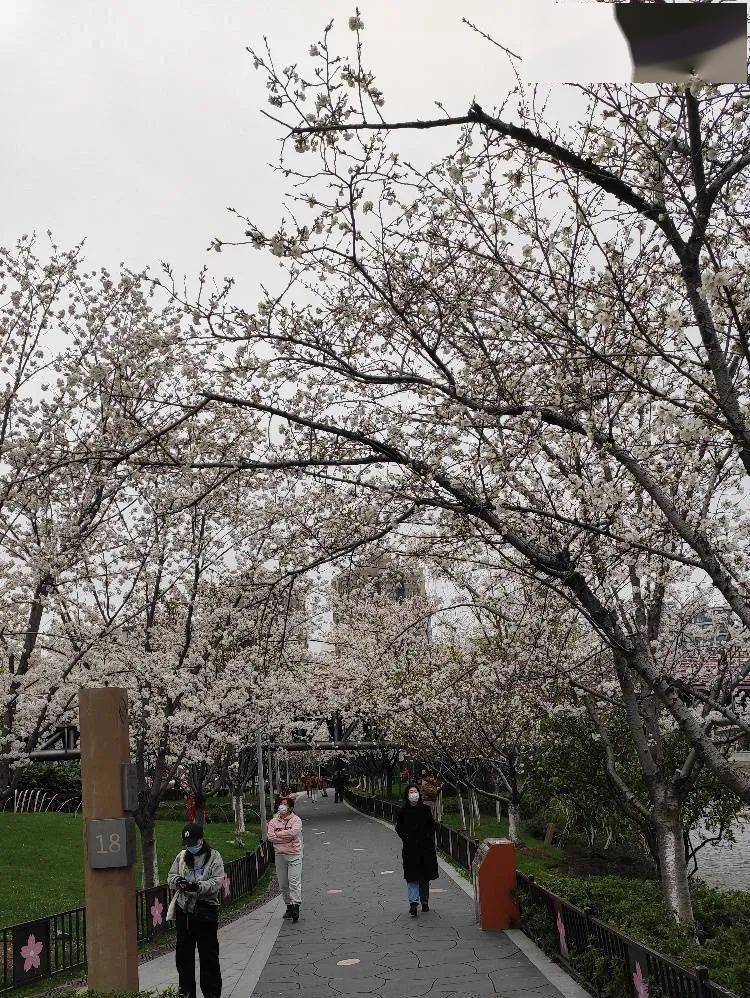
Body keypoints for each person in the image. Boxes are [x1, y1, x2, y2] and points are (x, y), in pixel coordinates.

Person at [167, 822, 225, 998]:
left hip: (205, 911)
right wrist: (178, 882)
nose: (190, 847)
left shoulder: (214, 857)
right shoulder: (182, 856)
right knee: (184, 957)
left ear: (201, 840)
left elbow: (216, 882)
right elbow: (170, 876)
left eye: (192, 843)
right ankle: (186, 993)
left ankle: (212, 993)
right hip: (184, 911)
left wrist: (196, 886)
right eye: (187, 844)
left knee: (208, 956)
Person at [394, 784, 439, 917]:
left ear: (419, 794)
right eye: (411, 792)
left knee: (424, 876)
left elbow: (432, 826)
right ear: (407, 795)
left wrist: (426, 836)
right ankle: (413, 902)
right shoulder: (402, 811)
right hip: (410, 848)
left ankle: (424, 901)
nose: (413, 794)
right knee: (412, 876)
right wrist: (406, 837)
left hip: (425, 848)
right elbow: (399, 828)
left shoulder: (425, 809)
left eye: (415, 792)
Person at [267, 795, 303, 922]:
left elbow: (294, 833)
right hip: (280, 855)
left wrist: (279, 835)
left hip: (294, 855)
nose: (282, 806)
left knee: (294, 881)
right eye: (281, 803)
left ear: (291, 807)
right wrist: (284, 837)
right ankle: (288, 906)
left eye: (285, 804)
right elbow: (271, 837)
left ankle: (296, 907)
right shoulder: (273, 822)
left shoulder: (296, 820)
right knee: (283, 884)